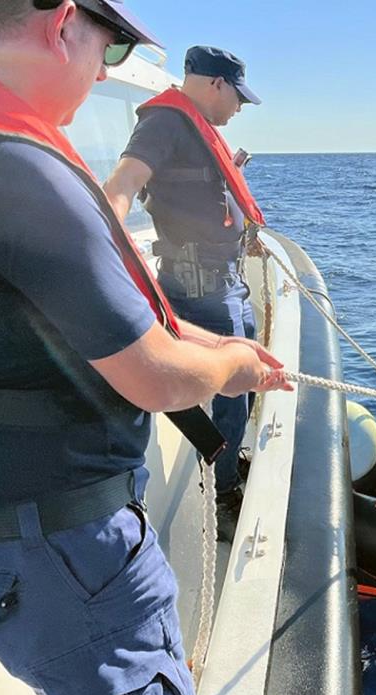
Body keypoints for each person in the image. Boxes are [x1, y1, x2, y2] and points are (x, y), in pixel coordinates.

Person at [0, 3, 290, 695]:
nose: (98, 75)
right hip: (61, 540)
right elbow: (154, 376)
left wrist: (199, 341)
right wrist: (233, 363)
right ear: (63, 26)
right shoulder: (14, 171)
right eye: (108, 55)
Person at [104, 44, 265, 539]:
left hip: (227, 281)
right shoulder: (164, 123)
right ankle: (223, 494)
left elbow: (192, 196)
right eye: (237, 96)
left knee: (250, 364)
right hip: (202, 288)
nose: (239, 107)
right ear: (215, 83)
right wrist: (101, 235)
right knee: (236, 384)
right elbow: (126, 179)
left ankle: (228, 459)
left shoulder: (197, 130)